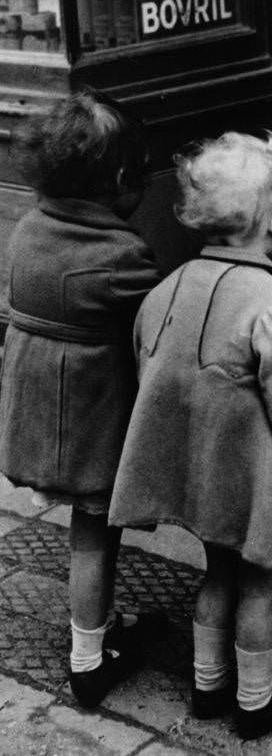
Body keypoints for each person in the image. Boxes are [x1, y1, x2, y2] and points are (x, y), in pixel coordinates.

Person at [109, 131, 272, 740]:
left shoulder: (167, 288)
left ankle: (208, 684)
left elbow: (147, 369)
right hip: (254, 482)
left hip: (198, 476)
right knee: (262, 582)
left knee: (216, 573)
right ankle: (257, 700)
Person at [0, 89, 162, 708]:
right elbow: (161, 318)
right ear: (122, 181)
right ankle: (89, 660)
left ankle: (99, 624)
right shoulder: (120, 257)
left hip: (35, 412)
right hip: (87, 424)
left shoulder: (28, 228)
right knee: (94, 533)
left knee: (85, 530)